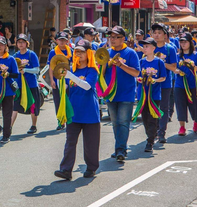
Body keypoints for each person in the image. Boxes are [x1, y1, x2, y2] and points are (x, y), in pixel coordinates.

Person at [54, 39, 100, 180]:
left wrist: (69, 75)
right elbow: (66, 87)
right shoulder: (72, 70)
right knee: (70, 142)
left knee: (90, 144)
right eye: (76, 52)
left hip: (90, 112)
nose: (78, 54)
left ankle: (91, 168)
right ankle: (66, 170)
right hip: (74, 112)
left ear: (88, 53)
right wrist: (59, 80)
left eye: (81, 52)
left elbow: (87, 86)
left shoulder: (92, 70)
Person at [104, 26, 140, 161]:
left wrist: (121, 65)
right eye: (111, 37)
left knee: (123, 122)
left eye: (116, 37)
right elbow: (100, 73)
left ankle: (121, 150)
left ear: (123, 39)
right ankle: (119, 147)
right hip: (111, 94)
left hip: (126, 94)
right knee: (115, 123)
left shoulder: (131, 53)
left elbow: (136, 73)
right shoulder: (106, 53)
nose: (112, 39)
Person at [135, 37, 167, 152]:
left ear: (153, 48)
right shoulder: (141, 61)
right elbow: (137, 75)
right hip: (142, 94)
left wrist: (155, 80)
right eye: (144, 46)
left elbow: (163, 77)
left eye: (147, 46)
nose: (145, 48)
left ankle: (150, 141)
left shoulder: (159, 62)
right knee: (145, 118)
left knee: (153, 118)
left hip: (154, 95)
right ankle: (150, 135)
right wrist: (139, 79)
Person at [174, 33, 197, 135]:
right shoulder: (177, 56)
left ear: (190, 43)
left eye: (185, 42)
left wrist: (192, 66)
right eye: (181, 42)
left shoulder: (196, 55)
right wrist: (177, 71)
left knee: (195, 105)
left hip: (193, 84)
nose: (183, 44)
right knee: (180, 105)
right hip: (180, 84)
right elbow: (173, 67)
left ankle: (196, 122)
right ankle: (182, 127)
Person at [151, 23, 177, 144]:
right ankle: (153, 131)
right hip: (151, 83)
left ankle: (162, 132)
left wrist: (160, 62)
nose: (156, 35)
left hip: (165, 83)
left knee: (164, 108)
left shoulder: (169, 49)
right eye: (154, 33)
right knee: (152, 107)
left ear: (165, 35)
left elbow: (173, 67)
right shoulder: (149, 47)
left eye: (159, 33)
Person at [11, 34, 41, 134]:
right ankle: (9, 128)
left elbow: (37, 70)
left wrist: (26, 70)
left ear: (26, 43)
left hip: (31, 85)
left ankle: (34, 125)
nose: (20, 44)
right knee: (14, 107)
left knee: (33, 106)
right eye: (19, 42)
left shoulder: (31, 55)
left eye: (23, 42)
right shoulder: (15, 56)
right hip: (19, 86)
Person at [47, 31, 73, 130]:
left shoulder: (71, 51)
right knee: (58, 101)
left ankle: (70, 120)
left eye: (64, 40)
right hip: (57, 79)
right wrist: (51, 80)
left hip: (68, 80)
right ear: (56, 40)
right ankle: (60, 121)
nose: (62, 42)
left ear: (67, 41)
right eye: (60, 40)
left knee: (69, 100)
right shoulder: (53, 52)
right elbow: (51, 67)